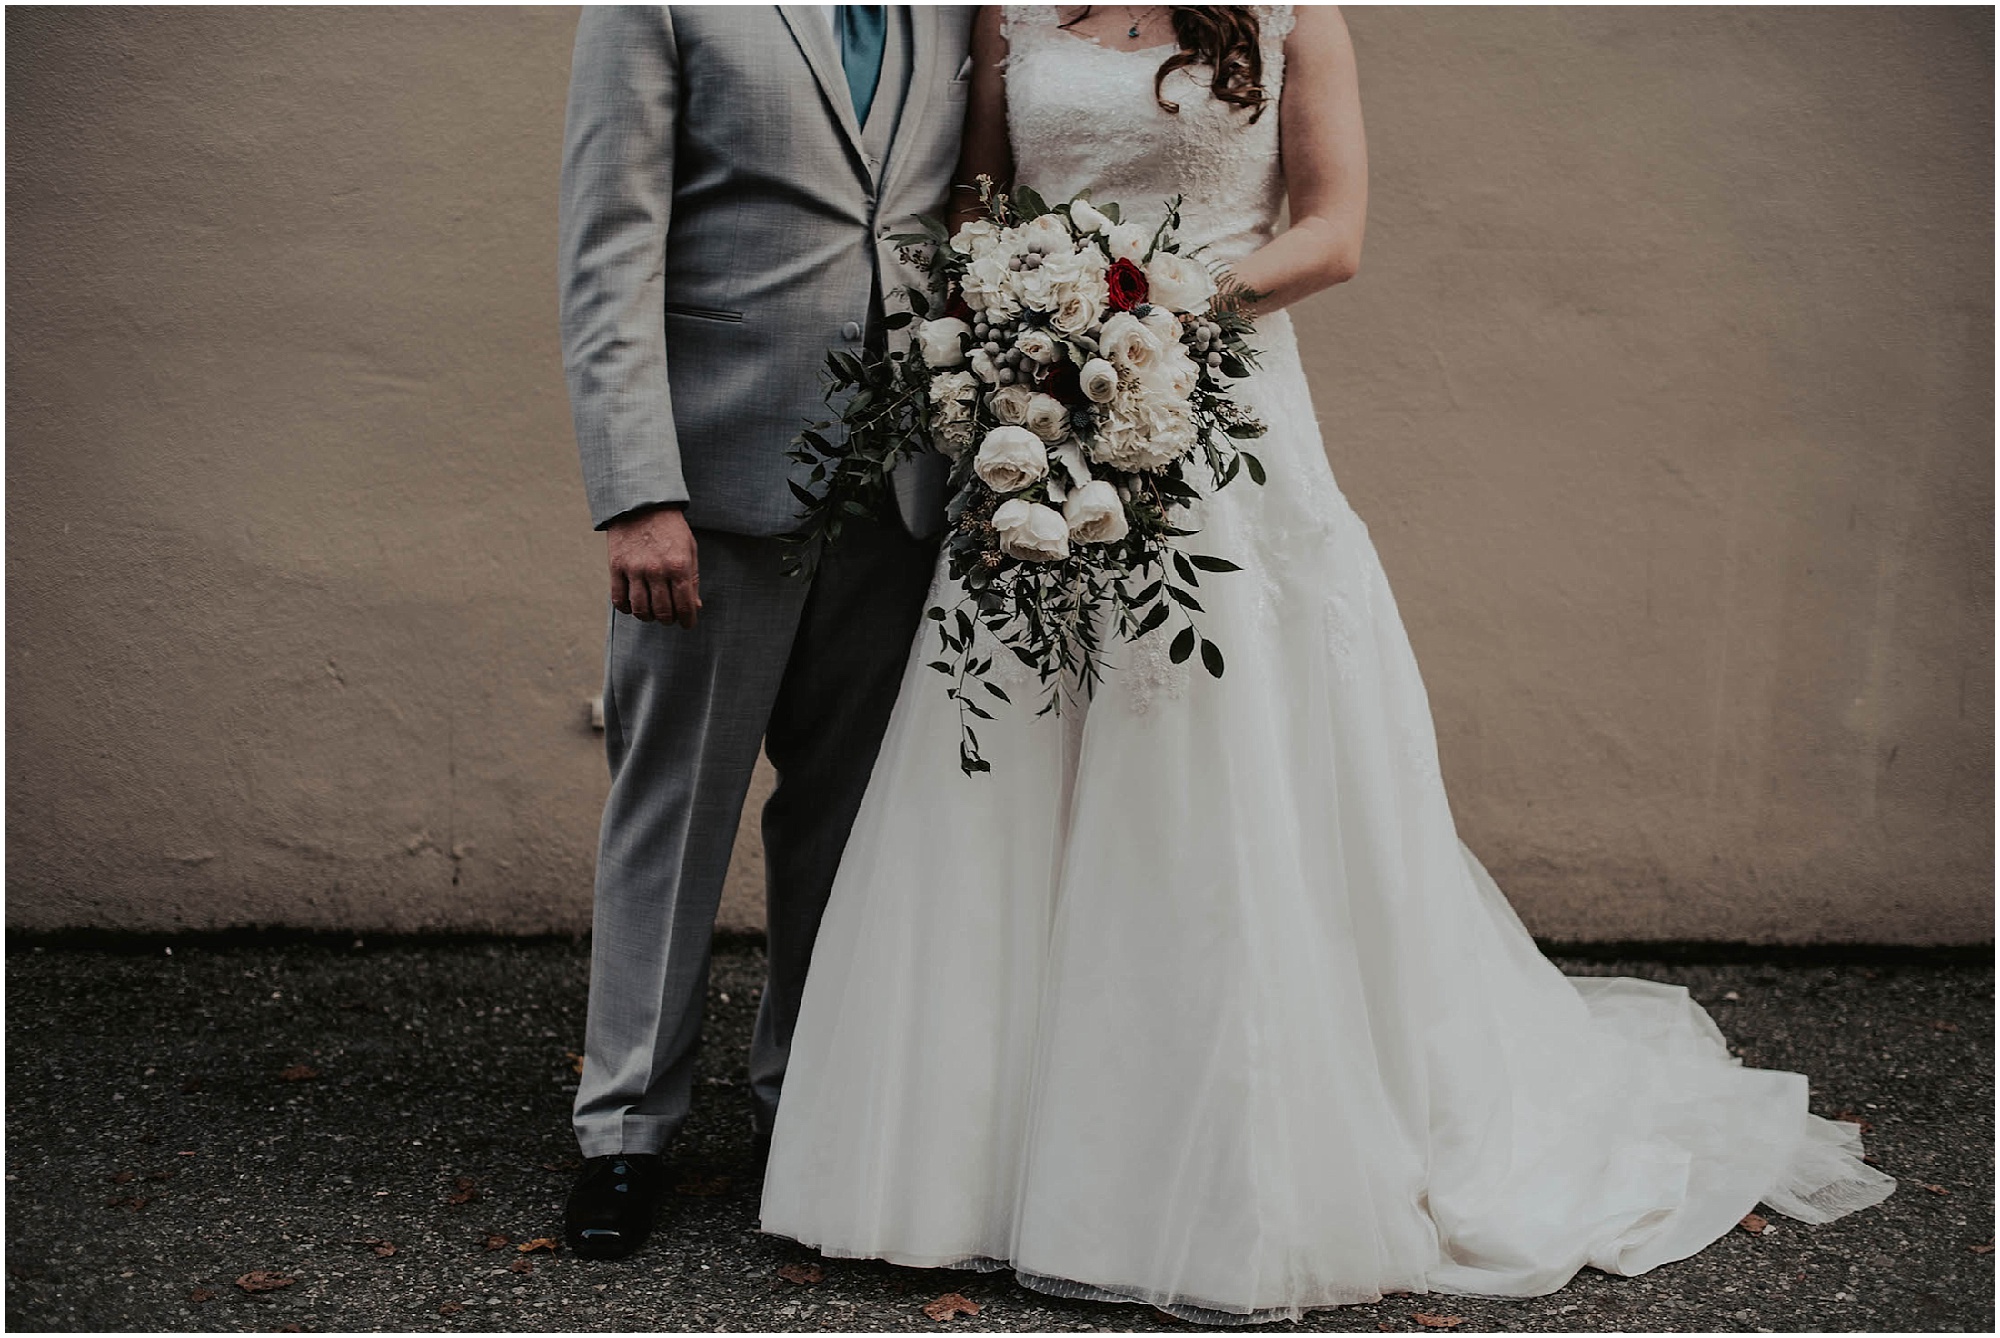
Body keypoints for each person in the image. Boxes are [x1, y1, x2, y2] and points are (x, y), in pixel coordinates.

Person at [758, 4, 1895, 1322]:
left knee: (1208, 744)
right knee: (1019, 726)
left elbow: (1333, 231)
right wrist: (1018, 325)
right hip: (1043, 410)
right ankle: (975, 1163)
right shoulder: (1012, 8)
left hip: (1222, 416)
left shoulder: (1289, 15)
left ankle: (1205, 1166)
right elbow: (979, 197)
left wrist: (1144, 307)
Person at [554, 4, 974, 1259]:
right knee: (672, 811)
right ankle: (624, 1127)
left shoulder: (955, 11)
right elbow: (607, 248)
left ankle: (805, 1107)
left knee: (843, 823)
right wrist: (636, 492)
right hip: (714, 480)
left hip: (904, 488)